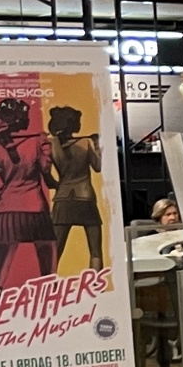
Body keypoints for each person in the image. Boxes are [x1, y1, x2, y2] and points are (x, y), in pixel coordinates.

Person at [0, 96, 57, 285]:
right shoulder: (38, 139)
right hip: (35, 206)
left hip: (7, 207)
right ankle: (51, 298)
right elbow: (46, 170)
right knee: (48, 269)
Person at [46, 103, 103, 272]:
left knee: (55, 251)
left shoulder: (51, 145)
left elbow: (46, 172)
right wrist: (98, 145)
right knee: (95, 251)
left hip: (63, 198)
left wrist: (56, 185)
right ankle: (95, 283)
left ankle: (50, 283)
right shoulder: (85, 143)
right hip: (85, 197)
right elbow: (98, 166)